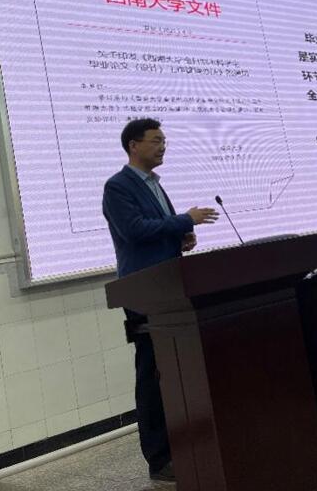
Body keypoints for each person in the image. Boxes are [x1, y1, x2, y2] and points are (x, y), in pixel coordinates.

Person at [102, 118, 219, 482]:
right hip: (144, 292)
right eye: (155, 140)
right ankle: (159, 458)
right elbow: (134, 231)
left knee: (176, 370)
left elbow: (156, 230)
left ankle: (183, 445)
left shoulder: (155, 184)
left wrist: (181, 238)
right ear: (133, 145)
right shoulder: (117, 186)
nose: (163, 146)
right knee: (153, 373)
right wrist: (185, 220)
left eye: (164, 140)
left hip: (171, 287)